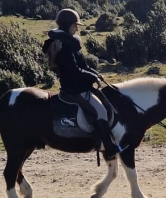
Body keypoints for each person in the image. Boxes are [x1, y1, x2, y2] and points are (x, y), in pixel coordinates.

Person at [43, 8, 123, 160]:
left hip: (80, 86)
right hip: (74, 89)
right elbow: (74, 70)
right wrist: (92, 77)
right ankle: (109, 147)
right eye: (75, 25)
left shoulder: (70, 43)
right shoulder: (64, 47)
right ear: (67, 25)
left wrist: (95, 73)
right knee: (101, 111)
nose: (77, 28)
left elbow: (83, 66)